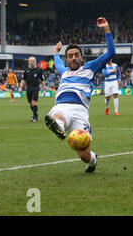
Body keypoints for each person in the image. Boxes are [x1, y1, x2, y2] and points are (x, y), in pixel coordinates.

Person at [44, 17, 115, 173]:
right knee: (57, 115)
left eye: (76, 54)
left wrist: (106, 29)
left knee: (84, 155)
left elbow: (111, 52)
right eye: (70, 56)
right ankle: (59, 126)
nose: (74, 57)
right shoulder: (64, 73)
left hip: (80, 112)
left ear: (81, 57)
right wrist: (55, 53)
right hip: (62, 106)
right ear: (67, 59)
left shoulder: (90, 68)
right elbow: (57, 63)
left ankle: (93, 160)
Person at [18, 57, 46, 122]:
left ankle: (34, 117)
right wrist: (20, 87)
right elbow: (23, 79)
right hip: (28, 88)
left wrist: (44, 90)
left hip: (36, 88)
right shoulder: (26, 70)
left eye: (33, 61)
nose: (32, 63)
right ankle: (36, 115)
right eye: (30, 61)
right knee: (30, 104)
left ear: (35, 62)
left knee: (34, 102)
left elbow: (42, 80)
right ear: (29, 62)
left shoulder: (39, 70)